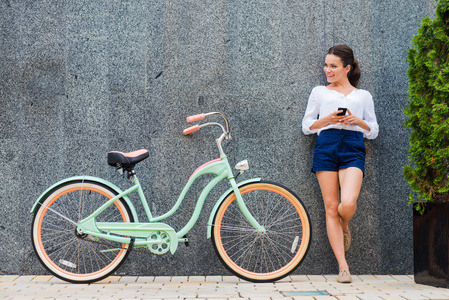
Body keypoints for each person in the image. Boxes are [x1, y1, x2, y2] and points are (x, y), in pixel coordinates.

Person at [301, 45, 379, 283]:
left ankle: (344, 226)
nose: (327, 70)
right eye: (326, 65)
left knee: (348, 202)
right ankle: (343, 267)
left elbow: (374, 131)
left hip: (354, 145)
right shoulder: (319, 92)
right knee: (331, 206)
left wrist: (358, 121)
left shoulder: (362, 96)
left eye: (333, 66)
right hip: (326, 144)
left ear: (347, 67)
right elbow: (306, 126)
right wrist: (326, 119)